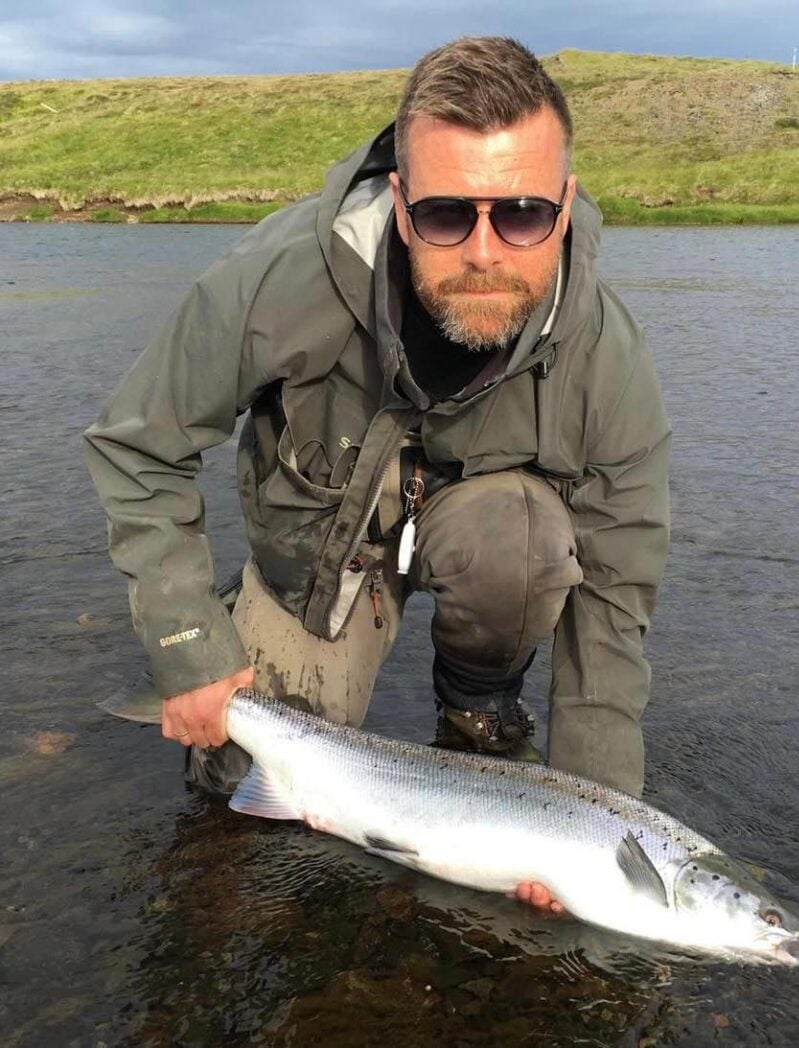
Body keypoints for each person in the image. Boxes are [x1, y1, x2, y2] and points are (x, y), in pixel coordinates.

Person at [84, 38, 670, 881]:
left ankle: (477, 703)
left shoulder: (608, 363)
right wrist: (188, 646)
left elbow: (615, 603)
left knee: (525, 538)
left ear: (567, 205)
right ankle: (240, 625)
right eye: (445, 213)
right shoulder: (278, 279)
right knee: (241, 794)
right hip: (323, 561)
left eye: (523, 213)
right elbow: (138, 442)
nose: (483, 250)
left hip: (483, 548)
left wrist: (593, 820)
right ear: (400, 205)